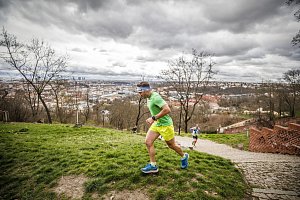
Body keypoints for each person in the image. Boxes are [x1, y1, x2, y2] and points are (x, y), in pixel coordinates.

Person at [137, 81, 189, 174]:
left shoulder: (155, 97)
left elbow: (167, 109)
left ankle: (184, 156)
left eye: (140, 92)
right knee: (148, 142)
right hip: (157, 124)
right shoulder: (148, 97)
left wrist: (153, 118)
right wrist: (154, 119)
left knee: (171, 145)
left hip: (166, 125)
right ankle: (153, 166)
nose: (139, 94)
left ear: (146, 90)